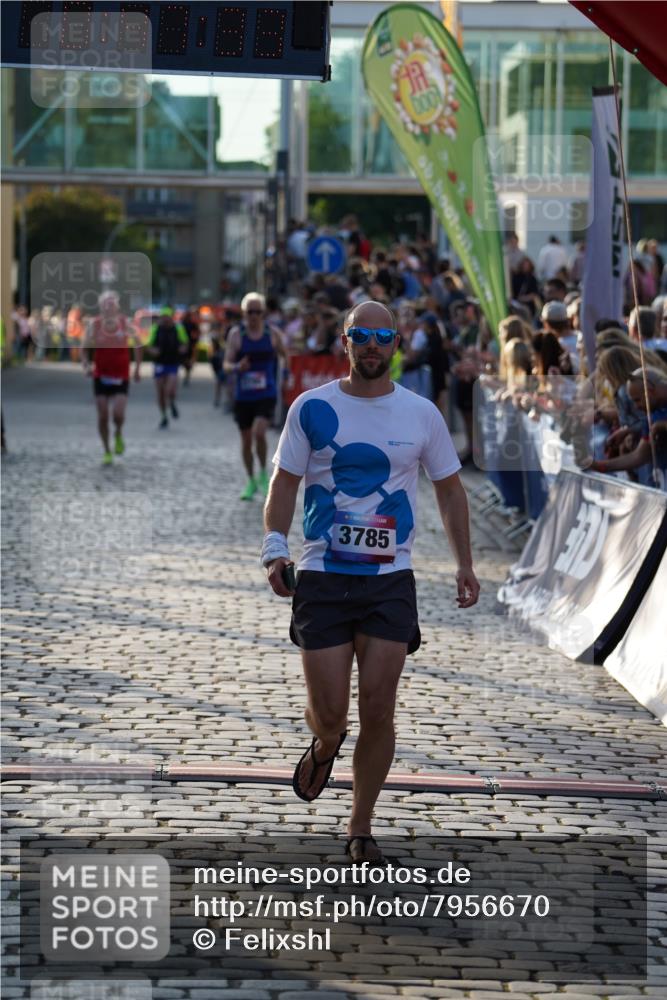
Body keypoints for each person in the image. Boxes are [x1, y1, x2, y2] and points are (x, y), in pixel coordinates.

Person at [260, 300, 480, 864]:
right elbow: (284, 481)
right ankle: (326, 742)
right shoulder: (313, 407)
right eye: (362, 335)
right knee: (332, 714)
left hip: (389, 580)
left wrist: (464, 562)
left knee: (379, 709)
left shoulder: (420, 414)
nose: (373, 345)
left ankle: (360, 827)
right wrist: (275, 547)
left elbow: (450, 489)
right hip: (323, 577)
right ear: (346, 341)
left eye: (384, 337)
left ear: (397, 345)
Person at [224, 292, 288, 500]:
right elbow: (226, 364)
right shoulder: (236, 334)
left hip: (266, 393)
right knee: (246, 441)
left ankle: (262, 472)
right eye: (250, 312)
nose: (254, 316)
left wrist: (285, 375)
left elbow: (285, 355)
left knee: (259, 433)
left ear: (263, 313)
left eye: (258, 312)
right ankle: (251, 479)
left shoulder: (272, 333)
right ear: (244, 313)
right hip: (243, 396)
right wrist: (237, 367)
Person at [82, 290, 141, 465]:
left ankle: (118, 433)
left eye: (111, 304)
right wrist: (86, 365)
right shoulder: (95, 324)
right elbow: (84, 348)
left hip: (121, 375)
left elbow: (138, 344)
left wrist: (137, 368)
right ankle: (107, 450)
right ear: (101, 307)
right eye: (105, 304)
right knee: (103, 416)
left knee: (118, 415)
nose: (108, 307)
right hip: (101, 375)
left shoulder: (125, 323)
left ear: (117, 307)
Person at [590, 368, 667, 488]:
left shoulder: (656, 420)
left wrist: (662, 426)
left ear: (649, 392)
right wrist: (601, 466)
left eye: (637, 400)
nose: (636, 406)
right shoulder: (653, 416)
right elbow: (639, 455)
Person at [146, 307, 189, 429]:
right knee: (160, 393)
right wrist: (153, 351)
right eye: (163, 317)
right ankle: (164, 416)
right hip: (159, 364)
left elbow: (185, 342)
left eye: (167, 317)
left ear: (171, 318)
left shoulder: (178, 328)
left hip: (173, 363)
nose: (165, 319)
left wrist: (183, 349)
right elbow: (148, 345)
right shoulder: (155, 329)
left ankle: (172, 402)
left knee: (169, 390)